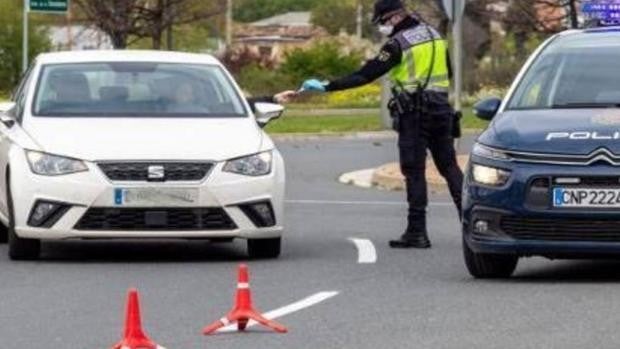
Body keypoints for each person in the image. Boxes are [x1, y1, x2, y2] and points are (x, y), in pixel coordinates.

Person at [300, 0, 463, 249]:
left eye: (383, 22)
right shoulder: (435, 35)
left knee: (414, 171)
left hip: (414, 113)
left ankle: (417, 232)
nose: (383, 28)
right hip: (441, 110)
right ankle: (471, 224)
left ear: (395, 17)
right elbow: (448, 73)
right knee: (449, 167)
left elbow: (366, 75)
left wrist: (327, 86)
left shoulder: (397, 43)